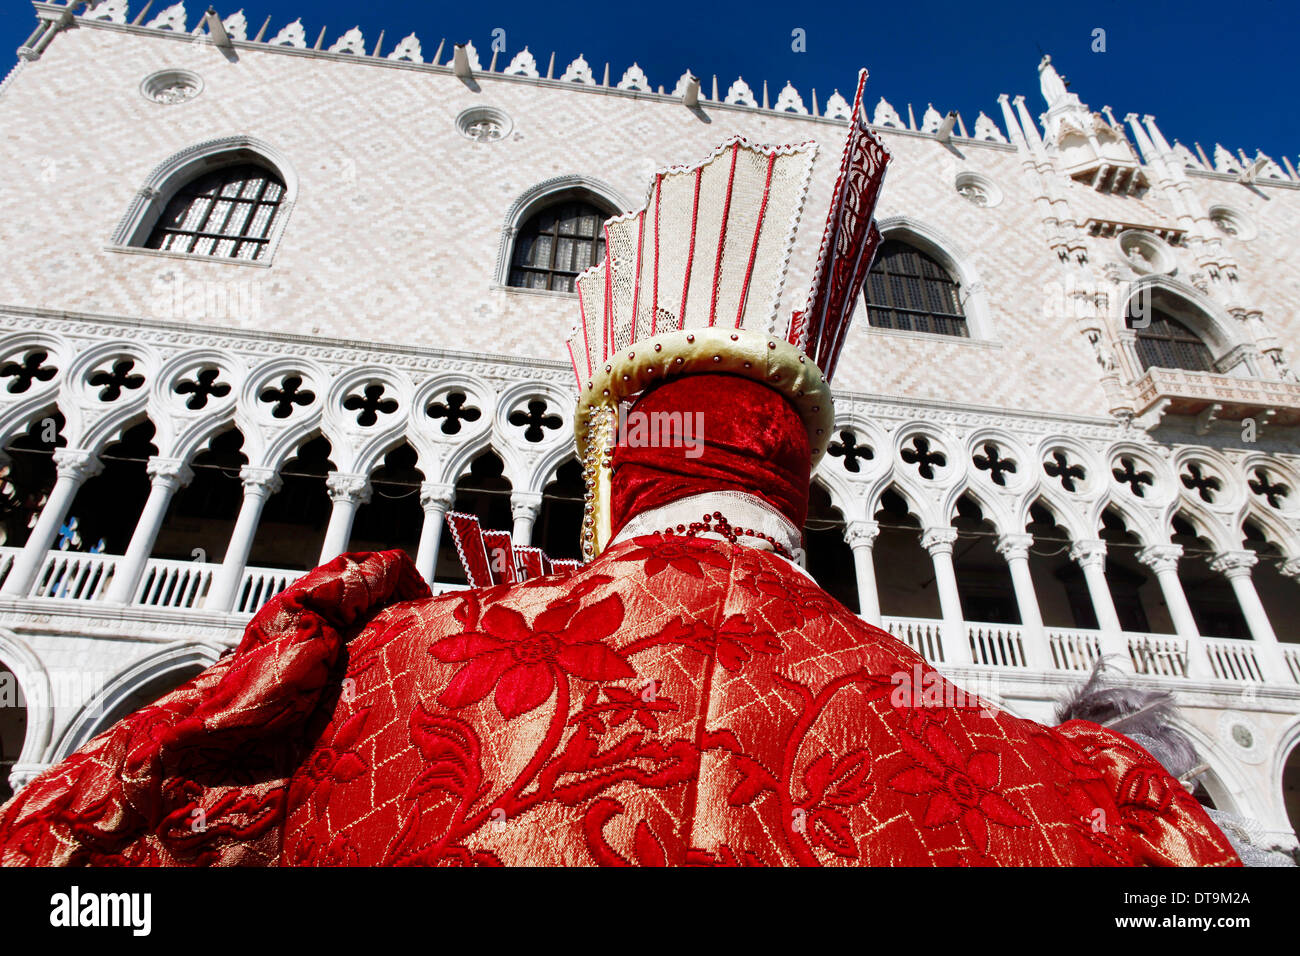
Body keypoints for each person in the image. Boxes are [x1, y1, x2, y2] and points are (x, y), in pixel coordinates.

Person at [0, 81, 1238, 866]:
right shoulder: (1083, 788)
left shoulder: (365, 676)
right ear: (799, 474)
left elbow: (71, 856)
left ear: (612, 466)